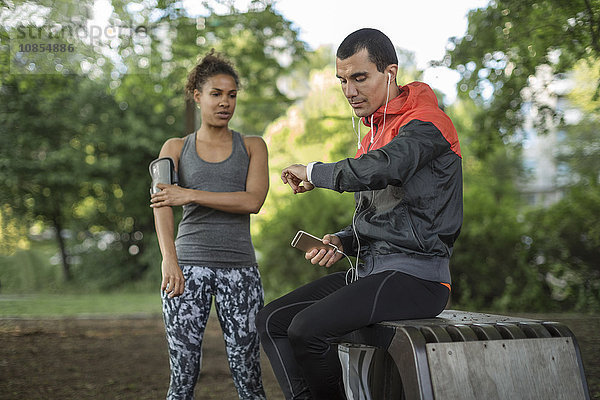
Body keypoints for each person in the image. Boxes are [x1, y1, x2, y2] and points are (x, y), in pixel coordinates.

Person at [255, 28, 463, 400]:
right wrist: (343, 240)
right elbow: (386, 214)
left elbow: (386, 169)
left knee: (306, 329)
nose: (349, 90)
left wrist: (316, 172)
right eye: (342, 80)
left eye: (359, 77)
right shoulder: (374, 131)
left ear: (391, 72)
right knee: (273, 321)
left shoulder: (428, 123)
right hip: (372, 271)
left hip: (419, 280)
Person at [150, 49, 269, 400]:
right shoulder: (174, 147)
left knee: (248, 373)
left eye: (231, 95)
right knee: (183, 375)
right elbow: (161, 204)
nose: (225, 103)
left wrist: (189, 194)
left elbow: (253, 201)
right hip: (186, 269)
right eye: (216, 94)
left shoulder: (252, 146)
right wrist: (168, 259)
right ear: (197, 95)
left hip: (240, 271)